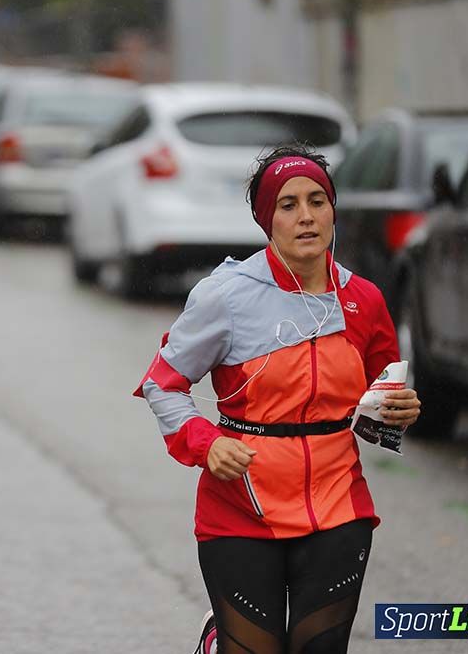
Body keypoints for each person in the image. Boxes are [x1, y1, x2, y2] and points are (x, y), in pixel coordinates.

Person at [134, 144, 422, 653]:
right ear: (268, 220)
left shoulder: (364, 300)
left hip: (337, 508)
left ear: (334, 210)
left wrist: (398, 411)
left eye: (318, 201)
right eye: (288, 205)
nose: (306, 216)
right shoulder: (224, 296)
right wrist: (207, 444)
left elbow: (381, 404)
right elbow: (163, 384)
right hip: (241, 507)